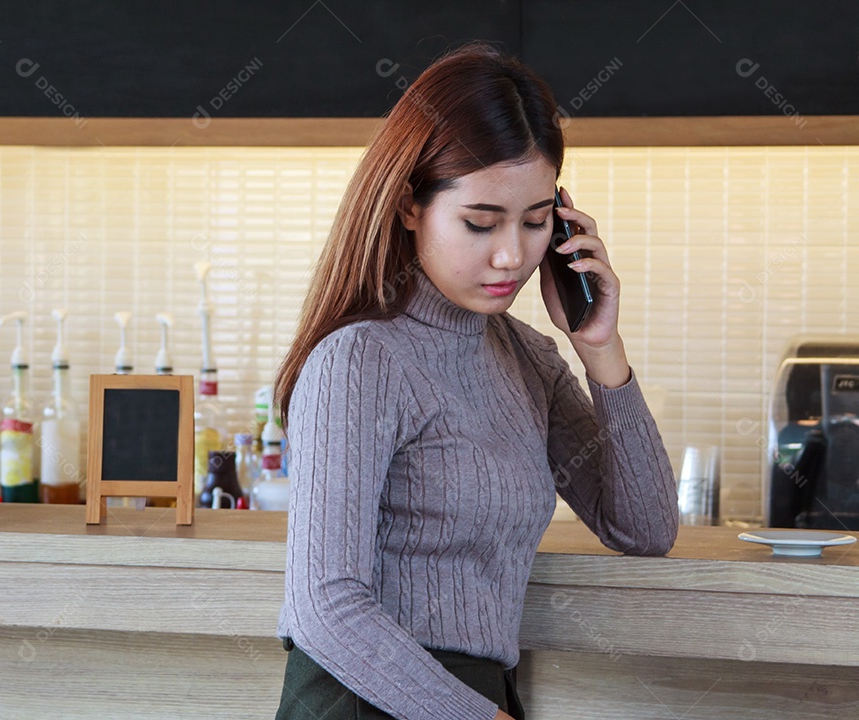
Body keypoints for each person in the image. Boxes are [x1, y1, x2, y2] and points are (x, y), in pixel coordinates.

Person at [272, 42, 679, 720]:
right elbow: (324, 607)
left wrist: (600, 347)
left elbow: (644, 527)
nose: (511, 255)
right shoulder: (361, 360)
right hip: (366, 700)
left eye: (536, 220)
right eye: (480, 222)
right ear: (409, 207)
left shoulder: (528, 360)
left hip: (473, 698)